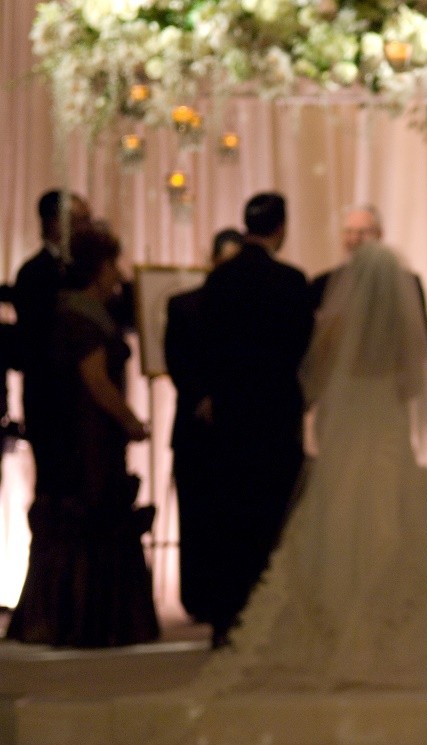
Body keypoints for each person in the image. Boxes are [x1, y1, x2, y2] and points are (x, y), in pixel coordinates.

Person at [156, 243, 427, 737]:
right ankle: (390, 622)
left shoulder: (335, 328)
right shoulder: (401, 339)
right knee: (394, 526)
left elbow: (314, 381)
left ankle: (333, 623)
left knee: (337, 527)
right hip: (387, 440)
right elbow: (414, 391)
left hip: (346, 444)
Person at [6, 224, 159, 647]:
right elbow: (95, 378)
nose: (118, 275)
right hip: (88, 437)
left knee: (79, 520)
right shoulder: (83, 316)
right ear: (100, 268)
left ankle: (68, 618)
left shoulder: (69, 310)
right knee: (93, 518)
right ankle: (89, 623)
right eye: (113, 266)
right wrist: (130, 419)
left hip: (75, 434)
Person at [201, 193, 313, 648]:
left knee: (230, 512)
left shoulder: (219, 280)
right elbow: (300, 345)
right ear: (281, 228)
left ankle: (228, 615)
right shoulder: (289, 280)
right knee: (274, 514)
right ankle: (270, 617)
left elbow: (207, 342)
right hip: (275, 411)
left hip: (230, 413)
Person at [163, 228, 243, 623]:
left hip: (237, 428)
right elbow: (177, 362)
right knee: (195, 517)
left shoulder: (250, 307)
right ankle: (197, 597)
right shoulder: (183, 305)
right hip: (195, 428)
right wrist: (202, 398)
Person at [14, 190, 91, 498]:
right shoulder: (34, 273)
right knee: (54, 491)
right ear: (56, 223)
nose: (86, 228)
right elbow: (39, 342)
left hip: (79, 404)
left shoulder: (80, 270)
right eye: (79, 220)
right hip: (51, 401)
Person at [309, 205, 427, 345]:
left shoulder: (408, 282)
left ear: (380, 234)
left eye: (362, 232)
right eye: (349, 231)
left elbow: (422, 340)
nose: (354, 238)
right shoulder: (323, 283)